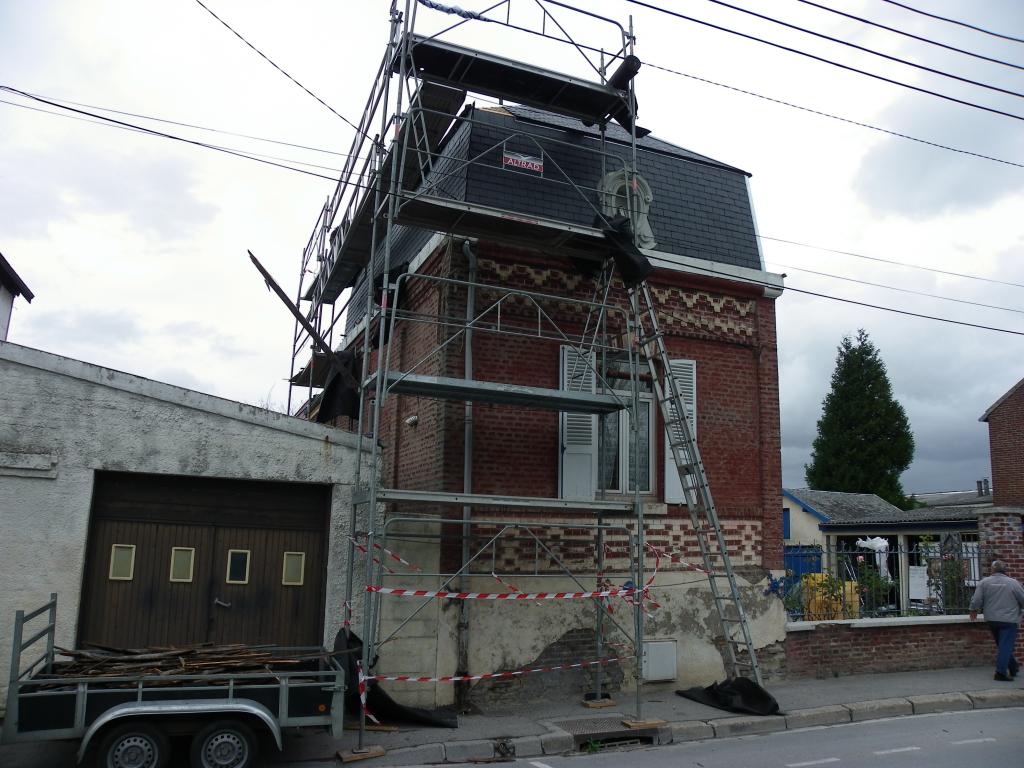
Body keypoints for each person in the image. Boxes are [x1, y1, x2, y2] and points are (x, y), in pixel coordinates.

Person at [969, 560, 1024, 681]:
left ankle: (1013, 667)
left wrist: (973, 610)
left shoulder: (984, 582)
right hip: (1009, 620)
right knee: (1005, 645)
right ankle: (1000, 673)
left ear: (992, 570)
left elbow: (977, 599)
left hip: (992, 619)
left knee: (1002, 644)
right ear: (1005, 570)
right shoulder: (1013, 583)